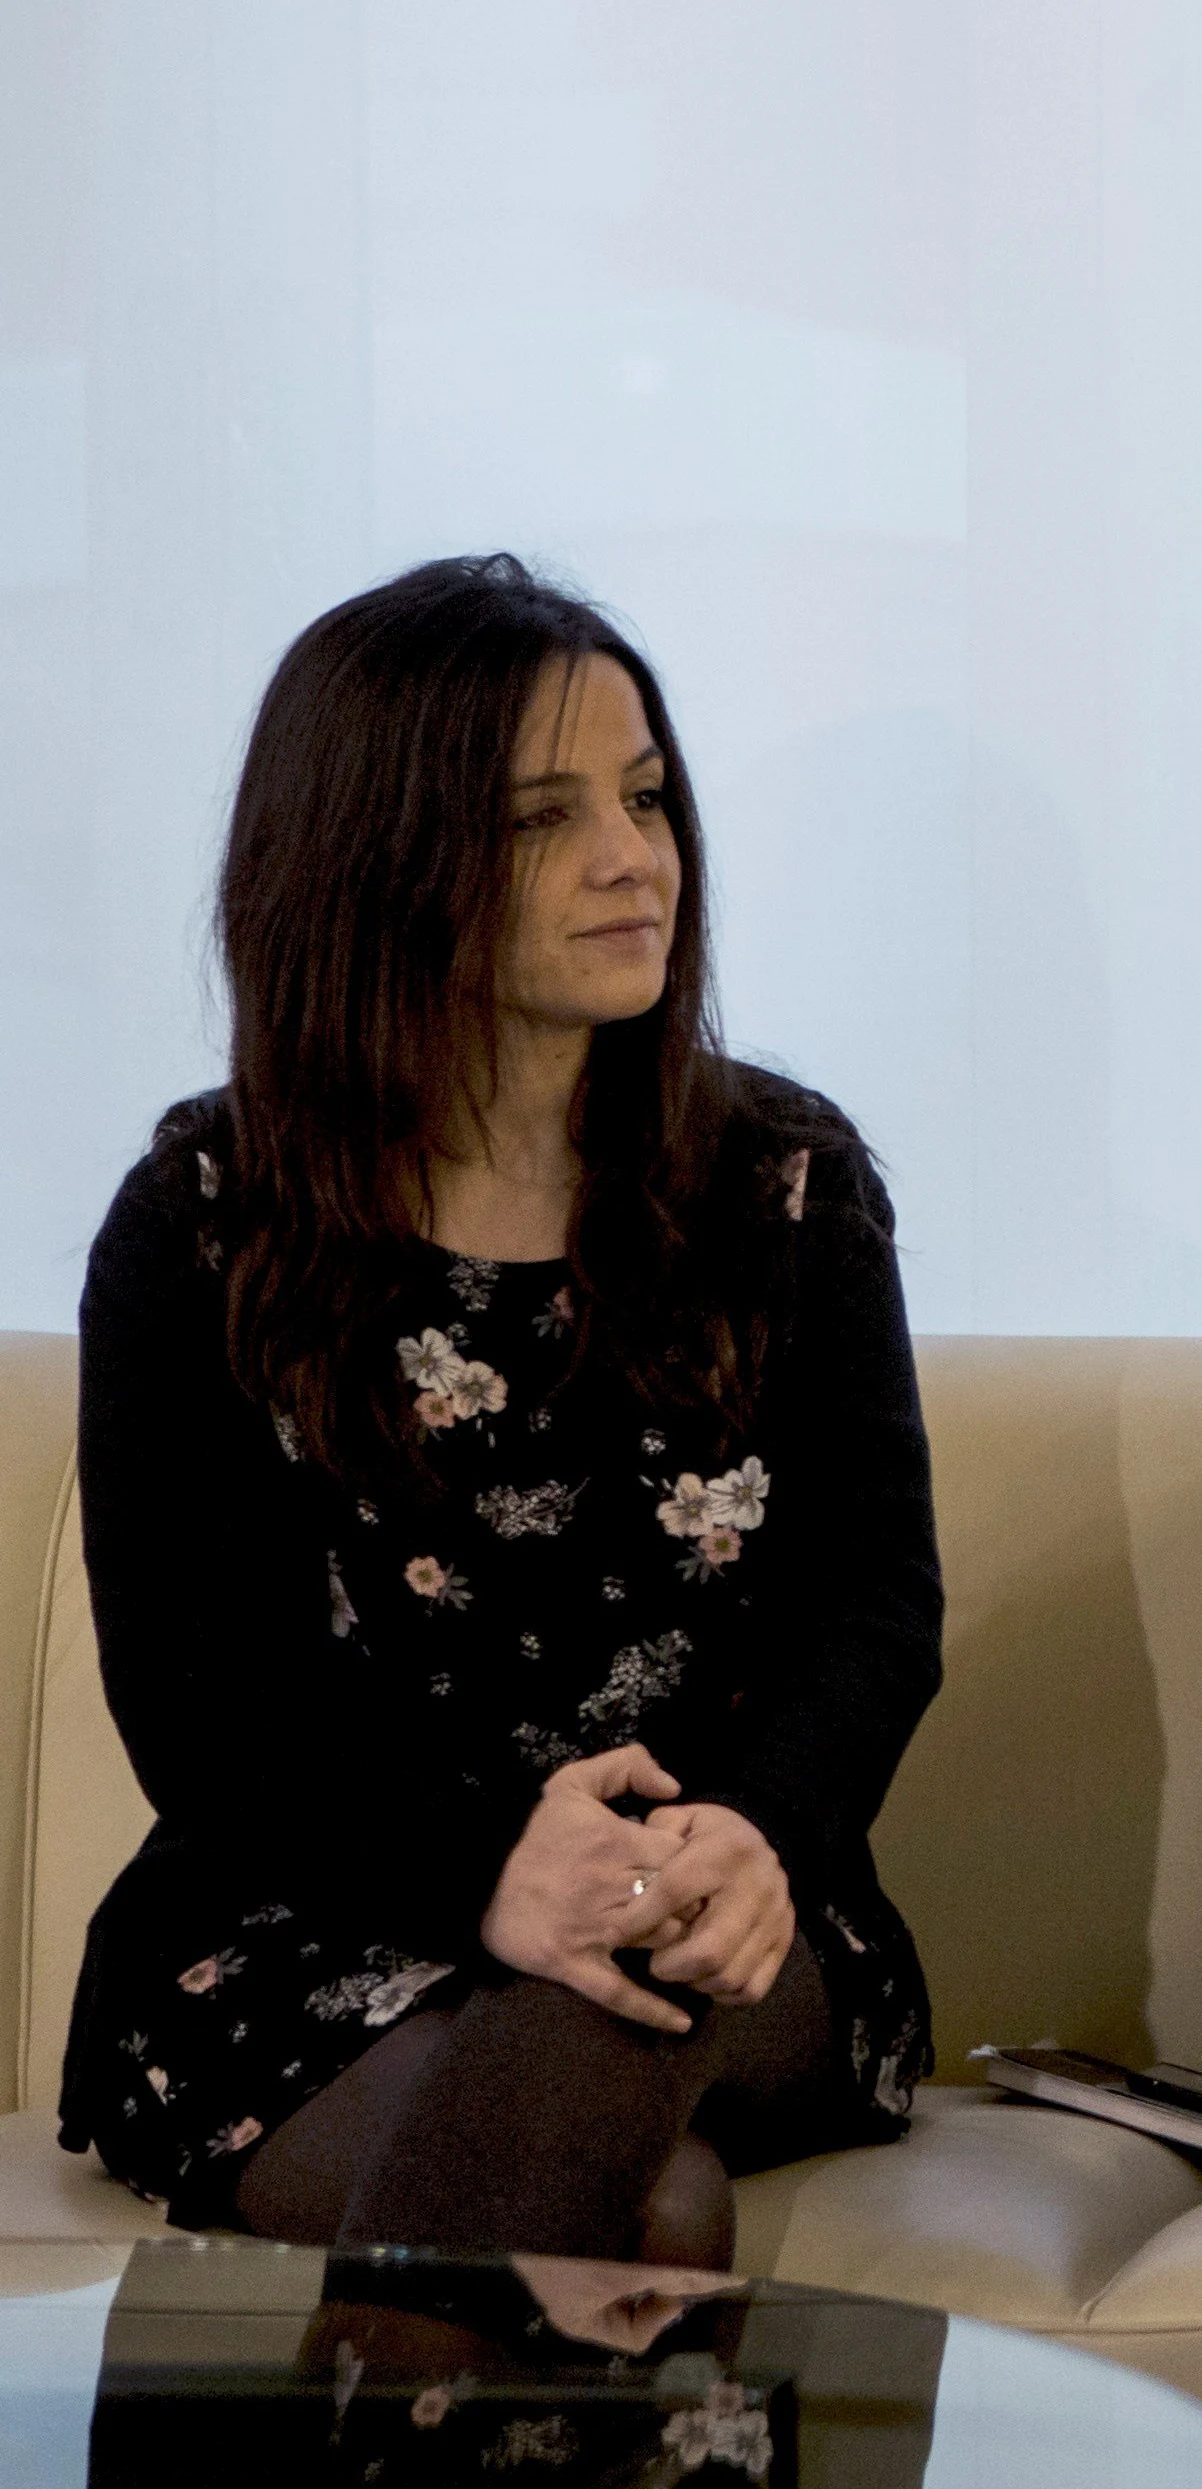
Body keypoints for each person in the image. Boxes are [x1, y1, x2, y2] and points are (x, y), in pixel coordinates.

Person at [65, 555, 942, 2269]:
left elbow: (874, 1608)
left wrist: (755, 1831)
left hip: (722, 1908)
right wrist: (489, 1867)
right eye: (546, 817)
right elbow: (199, 1697)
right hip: (308, 1930)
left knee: (595, 2003)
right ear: (377, 861)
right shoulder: (205, 1219)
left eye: (645, 794)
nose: (636, 857)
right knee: (647, 2205)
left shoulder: (784, 1185)